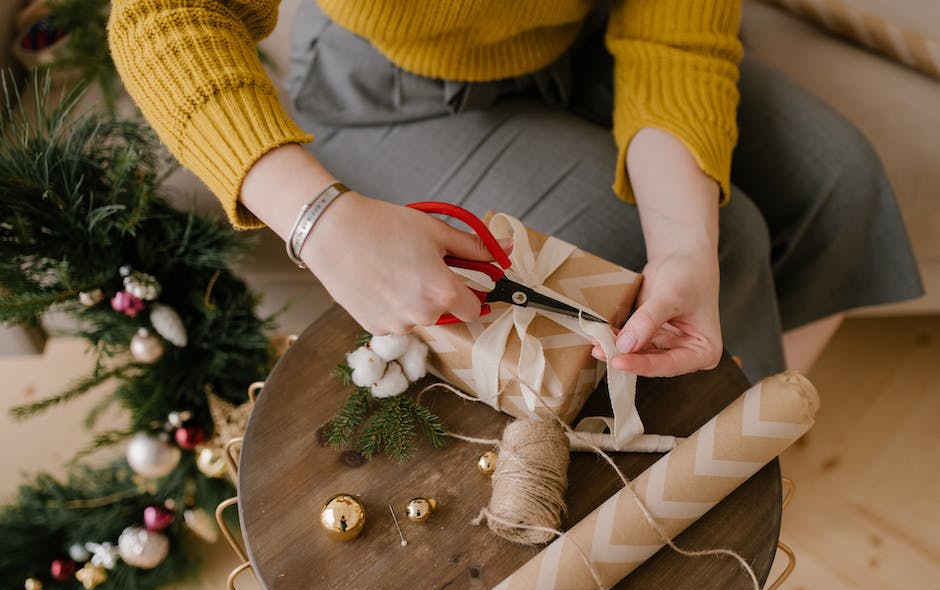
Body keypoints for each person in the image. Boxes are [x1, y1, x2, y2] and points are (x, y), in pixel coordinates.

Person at [108, 0, 922, 383]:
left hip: (584, 24)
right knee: (674, 242)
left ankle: (744, 441)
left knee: (836, 178)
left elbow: (674, 29)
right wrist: (321, 220)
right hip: (394, 86)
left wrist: (687, 245)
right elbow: (158, 11)